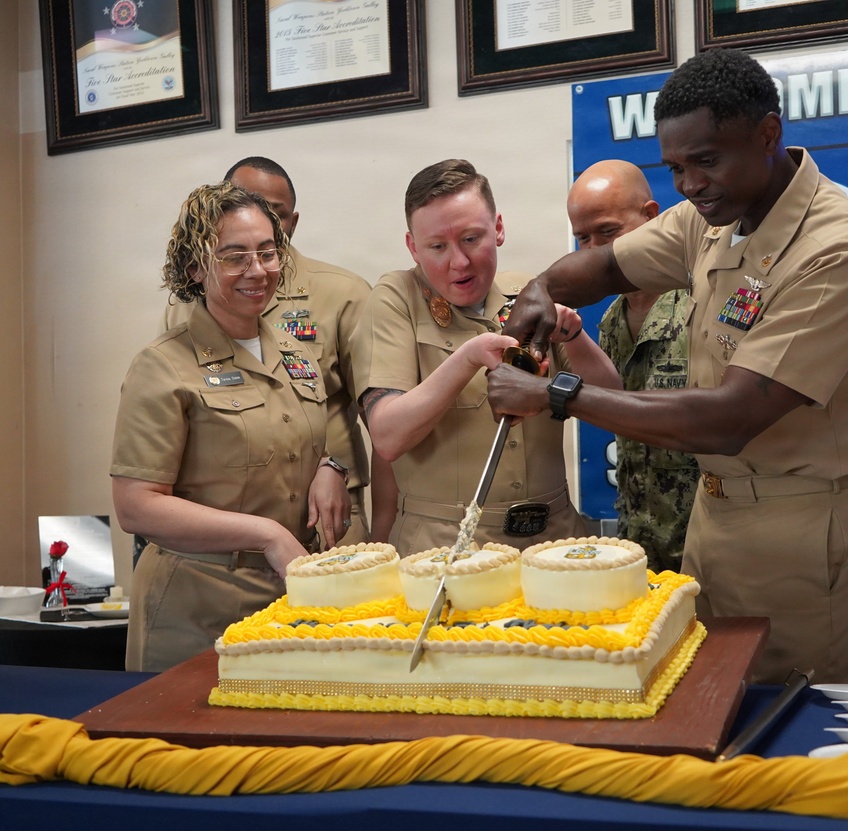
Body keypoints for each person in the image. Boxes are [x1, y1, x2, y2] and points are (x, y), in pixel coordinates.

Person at [487, 49, 848, 685]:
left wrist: (556, 396)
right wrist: (543, 288)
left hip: (796, 523)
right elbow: (605, 267)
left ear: (768, 134)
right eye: (675, 168)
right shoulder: (711, 218)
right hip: (714, 516)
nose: (687, 185)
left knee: (784, 709)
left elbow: (729, 419)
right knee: (708, 702)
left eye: (704, 161)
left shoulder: (840, 251)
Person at [112, 182, 345, 672]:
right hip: (197, 607)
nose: (257, 270)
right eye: (234, 256)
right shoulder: (162, 366)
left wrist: (330, 465)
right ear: (196, 266)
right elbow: (136, 506)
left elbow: (283, 441)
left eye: (267, 252)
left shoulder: (297, 355)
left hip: (287, 605)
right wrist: (266, 535)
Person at [349, 159, 613, 556]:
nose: (459, 262)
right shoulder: (396, 299)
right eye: (437, 247)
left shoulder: (529, 292)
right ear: (412, 247)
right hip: (447, 550)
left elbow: (613, 399)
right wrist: (468, 357)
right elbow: (387, 436)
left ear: (499, 228)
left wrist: (573, 336)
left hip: (554, 542)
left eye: (471, 239)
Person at [165, 157, 397, 545]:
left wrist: (386, 526)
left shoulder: (343, 293)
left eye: (276, 214)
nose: (258, 219)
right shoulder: (188, 305)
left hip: (326, 511)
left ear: (292, 222)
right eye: (244, 204)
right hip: (223, 517)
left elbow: (384, 422)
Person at [567, 160, 699, 572]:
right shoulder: (610, 320)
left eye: (608, 232)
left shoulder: (702, 305)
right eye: (582, 238)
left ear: (651, 217)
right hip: (640, 545)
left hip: (705, 544)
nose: (593, 252)